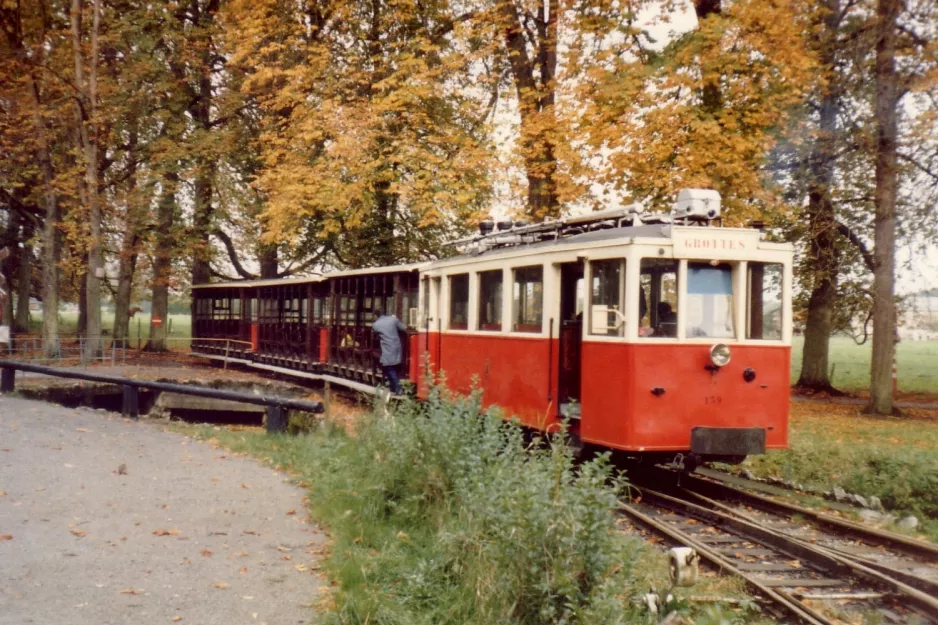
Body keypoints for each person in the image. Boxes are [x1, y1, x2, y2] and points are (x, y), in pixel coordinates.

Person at [371, 308, 406, 394]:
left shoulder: (376, 325)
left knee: (389, 367)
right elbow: (403, 328)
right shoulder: (393, 320)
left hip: (387, 348)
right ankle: (393, 388)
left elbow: (376, 334)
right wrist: (395, 318)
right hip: (397, 346)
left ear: (376, 316)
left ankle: (398, 389)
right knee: (393, 366)